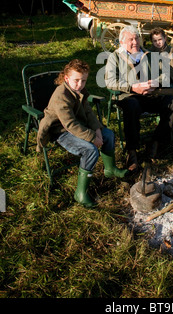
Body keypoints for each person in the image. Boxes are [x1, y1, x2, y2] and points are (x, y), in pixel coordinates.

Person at [36, 59, 128, 208]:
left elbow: (88, 112)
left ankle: (110, 169)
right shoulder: (61, 96)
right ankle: (80, 193)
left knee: (109, 134)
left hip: (79, 125)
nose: (80, 84)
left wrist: (98, 131)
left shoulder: (80, 91)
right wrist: (92, 138)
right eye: (76, 80)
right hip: (60, 130)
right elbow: (70, 124)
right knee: (90, 150)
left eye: (83, 80)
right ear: (66, 79)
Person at [105, 25, 173, 168]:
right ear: (121, 42)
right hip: (129, 96)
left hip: (150, 95)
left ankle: (155, 141)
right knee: (132, 105)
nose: (135, 42)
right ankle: (132, 151)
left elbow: (165, 73)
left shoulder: (148, 54)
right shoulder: (114, 57)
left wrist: (156, 83)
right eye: (130, 40)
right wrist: (133, 87)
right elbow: (109, 81)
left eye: (137, 38)